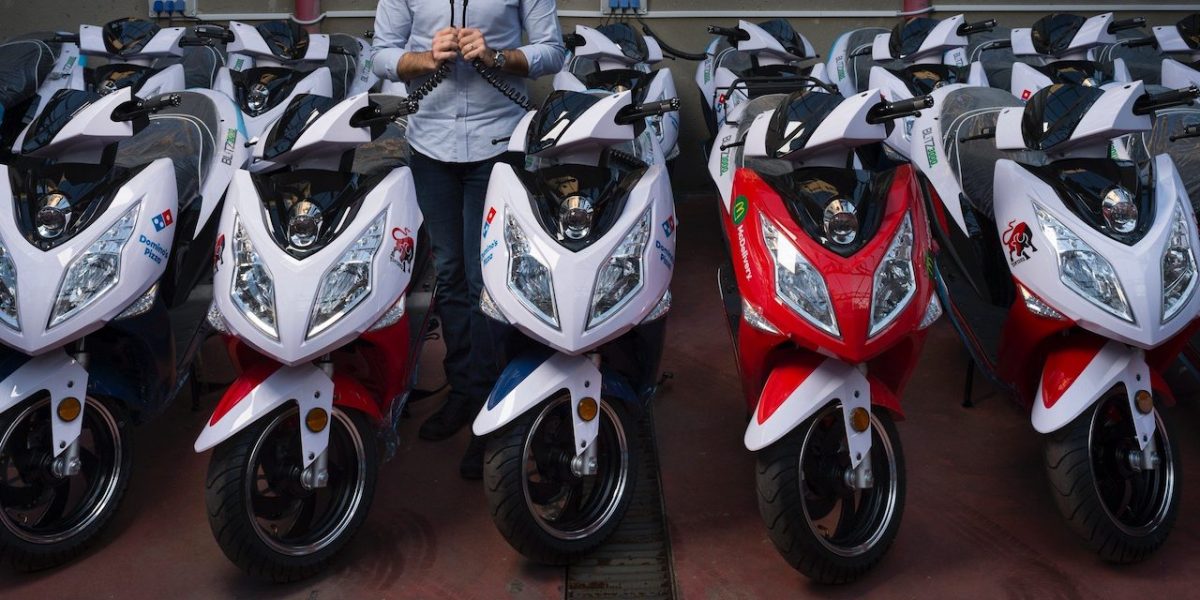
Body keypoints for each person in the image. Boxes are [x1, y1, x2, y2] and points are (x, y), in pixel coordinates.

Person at [372, 0, 566, 479]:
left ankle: (495, 405)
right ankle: (464, 389)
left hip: (497, 141)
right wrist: (423, 59)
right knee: (451, 272)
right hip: (429, 144)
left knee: (489, 279)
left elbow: (552, 52)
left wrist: (499, 57)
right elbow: (380, 55)